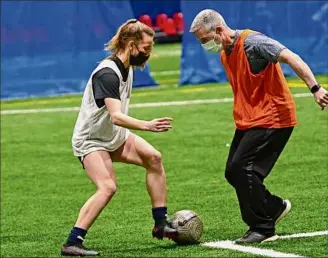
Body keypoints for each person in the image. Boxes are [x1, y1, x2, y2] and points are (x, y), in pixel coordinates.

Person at [190, 9, 328, 244]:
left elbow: (291, 57)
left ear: (219, 31)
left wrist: (316, 89)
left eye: (205, 40)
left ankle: (263, 227)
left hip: (274, 117)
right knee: (233, 172)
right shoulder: (226, 52)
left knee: (242, 169)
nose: (205, 46)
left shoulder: (253, 43)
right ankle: (273, 208)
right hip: (250, 120)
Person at [61, 19, 177, 256]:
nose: (148, 53)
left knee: (154, 158)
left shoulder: (128, 66)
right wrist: (147, 125)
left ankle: (160, 223)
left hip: (114, 136)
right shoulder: (107, 74)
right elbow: (116, 116)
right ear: (131, 45)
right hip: (91, 140)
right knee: (107, 187)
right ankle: (73, 242)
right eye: (146, 48)